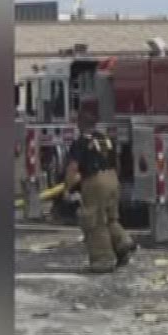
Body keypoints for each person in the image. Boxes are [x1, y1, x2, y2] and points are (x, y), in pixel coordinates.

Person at [63, 111, 136, 273]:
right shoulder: (105, 139)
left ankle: (103, 260)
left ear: (80, 124)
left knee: (94, 222)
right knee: (111, 218)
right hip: (112, 178)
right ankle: (123, 242)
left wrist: (67, 188)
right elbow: (116, 161)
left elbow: (73, 167)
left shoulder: (80, 143)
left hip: (95, 181)